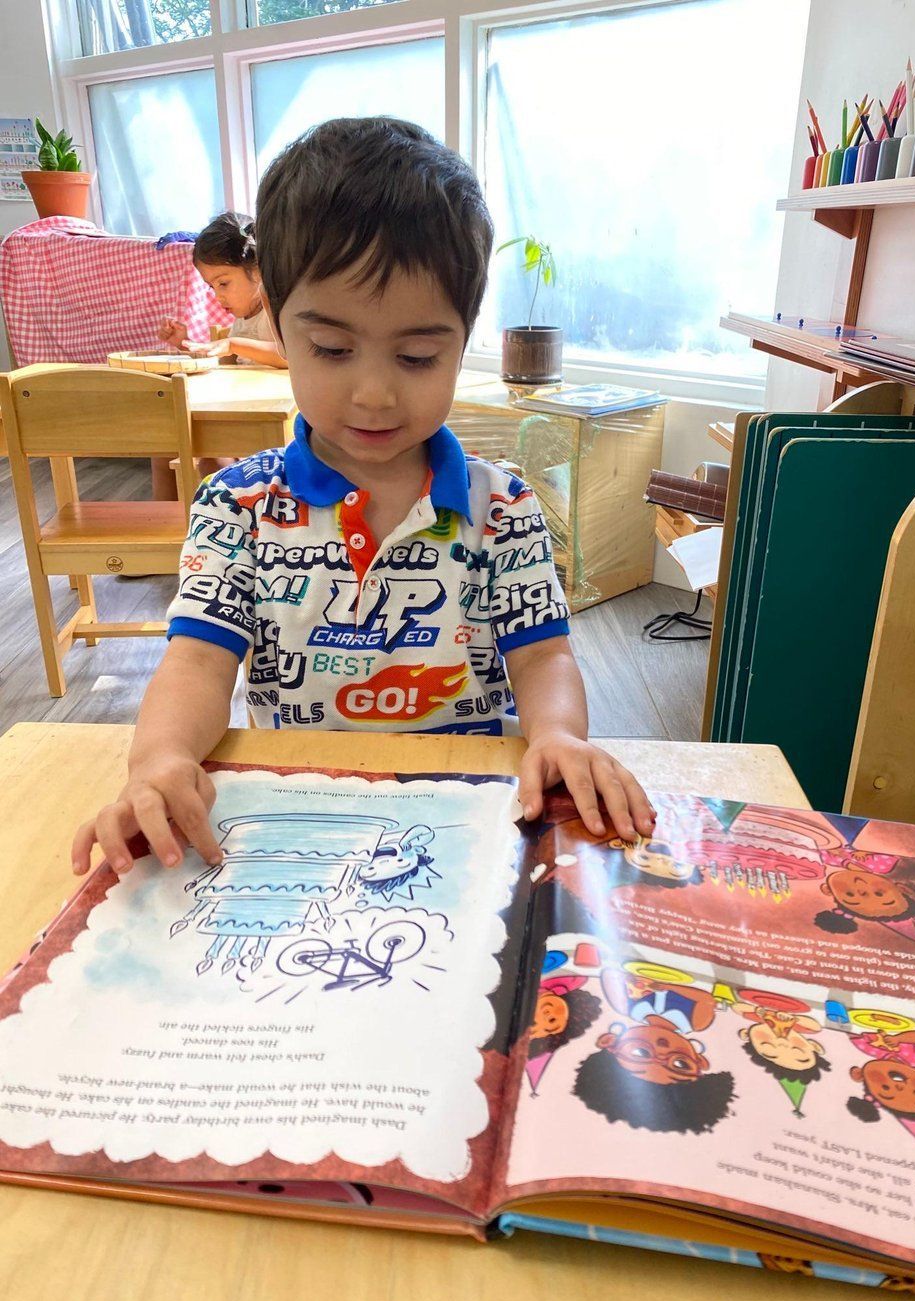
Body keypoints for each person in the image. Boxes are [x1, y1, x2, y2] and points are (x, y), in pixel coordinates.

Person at [72, 117, 655, 878]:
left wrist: (558, 735)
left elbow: (542, 656)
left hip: (463, 821)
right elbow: (197, 665)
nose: (375, 393)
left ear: (461, 338)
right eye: (332, 349)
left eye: (417, 355)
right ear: (275, 320)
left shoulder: (503, 510)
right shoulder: (236, 508)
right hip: (291, 821)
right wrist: (159, 758)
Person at [157, 211, 287, 369]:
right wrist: (185, 343)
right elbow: (224, 367)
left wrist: (233, 344)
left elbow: (290, 357)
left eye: (223, 283)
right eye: (211, 286)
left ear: (258, 271)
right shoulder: (242, 320)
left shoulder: (278, 312)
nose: (218, 297)